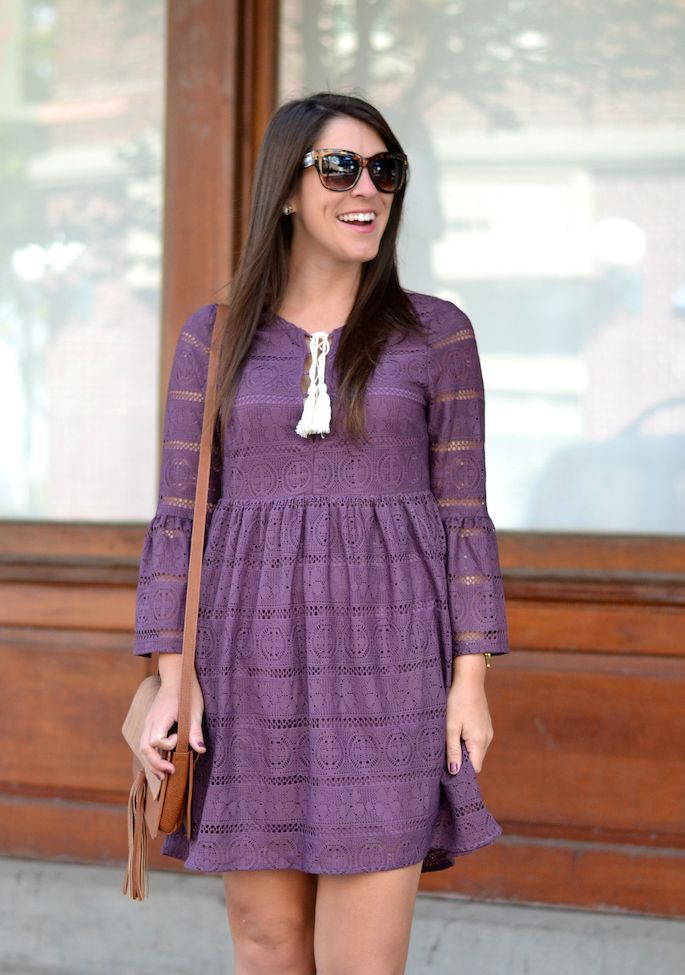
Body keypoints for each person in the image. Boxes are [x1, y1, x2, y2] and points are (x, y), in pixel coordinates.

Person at [132, 92, 510, 975]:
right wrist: (167, 677)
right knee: (265, 944)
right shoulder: (215, 335)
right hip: (247, 670)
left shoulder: (435, 335)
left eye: (386, 171)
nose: (367, 187)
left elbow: (464, 517)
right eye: (341, 167)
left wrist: (471, 678)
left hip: (391, 675)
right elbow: (180, 516)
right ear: (288, 189)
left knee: (361, 962)